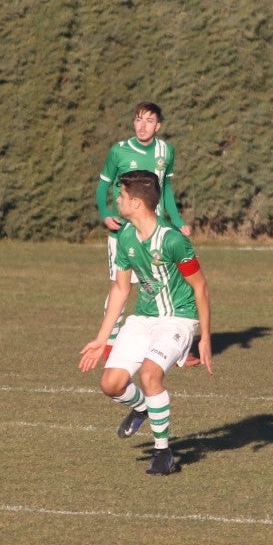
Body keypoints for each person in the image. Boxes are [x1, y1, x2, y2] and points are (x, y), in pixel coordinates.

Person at [80, 170, 213, 476]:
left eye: (122, 195)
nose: (117, 199)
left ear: (137, 203)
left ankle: (163, 453)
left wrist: (204, 337)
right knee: (111, 385)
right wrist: (101, 338)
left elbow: (201, 287)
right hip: (143, 318)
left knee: (150, 374)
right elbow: (120, 289)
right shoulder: (125, 236)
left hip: (177, 318)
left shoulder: (173, 240)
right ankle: (141, 408)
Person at [94, 102, 196, 365]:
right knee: (121, 287)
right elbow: (103, 186)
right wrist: (105, 213)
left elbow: (167, 188)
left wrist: (176, 220)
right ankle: (109, 345)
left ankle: (173, 346)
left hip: (155, 231)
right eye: (139, 119)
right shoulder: (119, 151)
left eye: (149, 121)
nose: (143, 126)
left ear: (158, 126)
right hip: (124, 231)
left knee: (163, 285)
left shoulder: (166, 151)